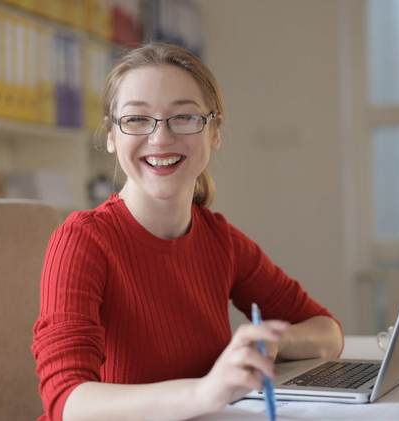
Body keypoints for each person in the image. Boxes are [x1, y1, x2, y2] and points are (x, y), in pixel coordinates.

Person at [32, 42, 343, 421]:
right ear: (112, 137)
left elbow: (328, 333)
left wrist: (272, 345)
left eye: (184, 117)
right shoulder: (82, 241)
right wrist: (206, 392)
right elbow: (67, 402)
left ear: (214, 132)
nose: (161, 138)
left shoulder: (220, 240)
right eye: (136, 119)